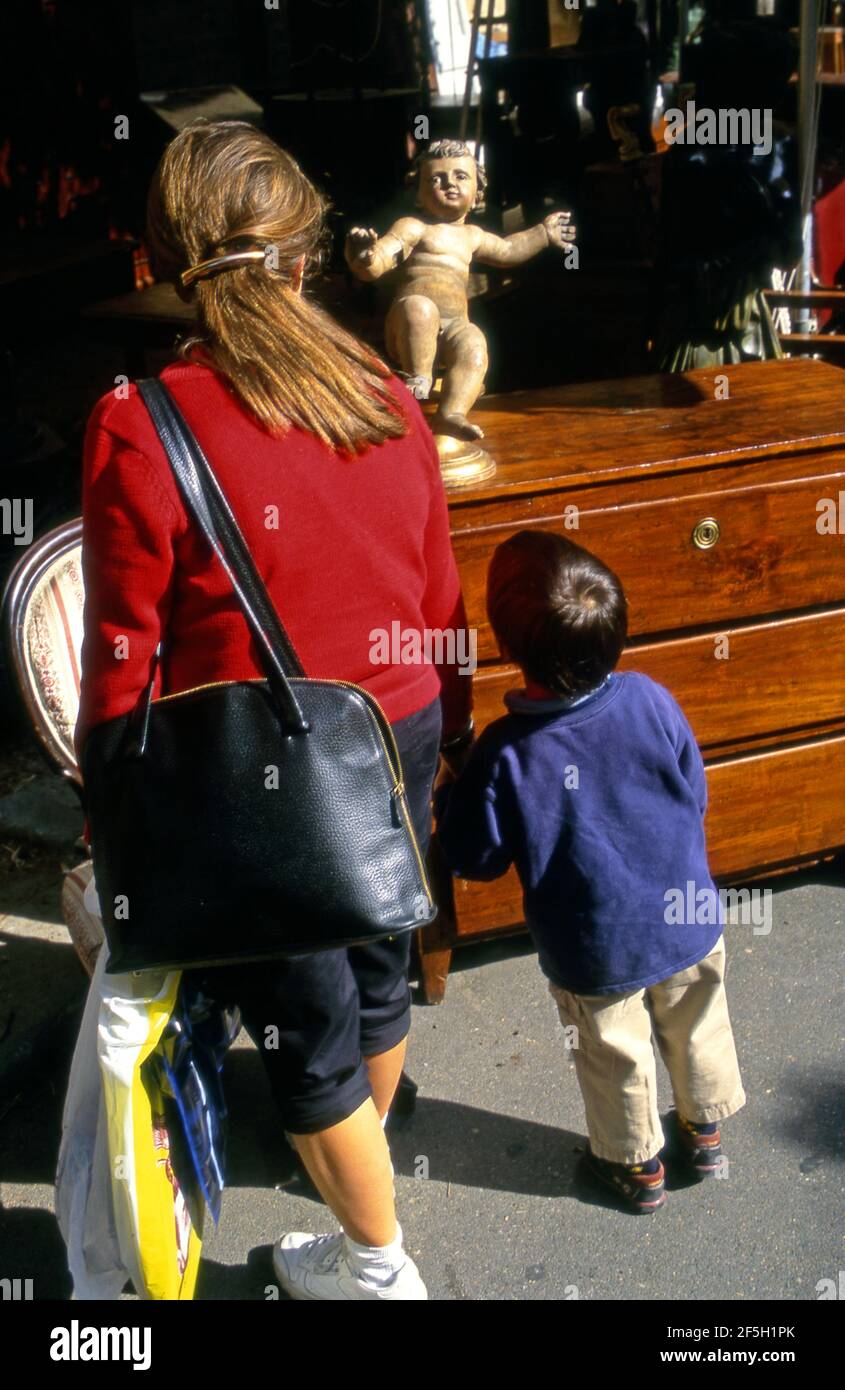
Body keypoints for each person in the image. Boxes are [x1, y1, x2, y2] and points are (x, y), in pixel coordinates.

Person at [74, 118, 473, 1299]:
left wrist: (112, 810)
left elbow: (120, 657)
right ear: (304, 262)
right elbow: (437, 593)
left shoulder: (137, 423)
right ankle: (351, 1177)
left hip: (269, 761)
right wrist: (441, 735)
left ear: (162, 264)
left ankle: (376, 1261)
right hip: (396, 721)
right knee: (378, 965)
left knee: (307, 1033)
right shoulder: (384, 397)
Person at [435, 530, 745, 1213]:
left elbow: (475, 858)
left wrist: (449, 799)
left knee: (613, 1053)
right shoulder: (650, 698)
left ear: (506, 645)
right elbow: (693, 791)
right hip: (684, 918)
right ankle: (706, 1128)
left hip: (592, 948)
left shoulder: (504, 752)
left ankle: (636, 1170)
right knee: (697, 1020)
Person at [344, 139, 575, 441]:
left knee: (474, 343)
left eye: (460, 176)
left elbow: (508, 250)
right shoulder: (414, 227)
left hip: (453, 326)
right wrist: (364, 257)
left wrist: (543, 234)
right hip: (407, 325)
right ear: (417, 192)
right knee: (421, 308)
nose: (449, 184)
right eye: (436, 179)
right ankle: (419, 379)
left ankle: (451, 413)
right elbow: (382, 260)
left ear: (478, 192)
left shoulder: (472, 236)